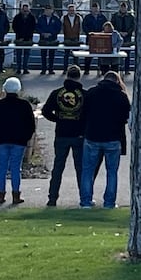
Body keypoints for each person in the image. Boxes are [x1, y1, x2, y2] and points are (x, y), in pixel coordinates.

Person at [79, 70, 131, 209]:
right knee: (112, 172)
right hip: (113, 137)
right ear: (117, 81)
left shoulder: (91, 93)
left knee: (87, 170)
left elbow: (83, 113)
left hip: (92, 136)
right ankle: (109, 202)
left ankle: (85, 202)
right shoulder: (121, 96)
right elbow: (126, 117)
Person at [42, 66, 87, 206]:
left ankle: (52, 198)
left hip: (61, 133)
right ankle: (84, 198)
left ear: (67, 76)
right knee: (80, 168)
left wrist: (58, 119)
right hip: (79, 134)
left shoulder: (57, 93)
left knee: (58, 167)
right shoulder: (84, 95)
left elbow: (45, 111)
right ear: (79, 77)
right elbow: (89, 114)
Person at [0, 77, 36, 204]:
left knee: (1, 168)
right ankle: (16, 195)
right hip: (19, 141)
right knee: (16, 168)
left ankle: (0, 195)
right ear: (18, 89)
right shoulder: (24, 105)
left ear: (5, 88)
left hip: (1, 140)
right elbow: (31, 125)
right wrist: (26, 138)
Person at [11, 2, 37, 75]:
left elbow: (33, 28)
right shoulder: (17, 17)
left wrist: (27, 37)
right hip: (19, 38)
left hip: (28, 39)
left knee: (26, 54)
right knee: (19, 54)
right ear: (21, 10)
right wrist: (20, 37)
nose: (25, 12)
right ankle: (18, 68)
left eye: (26, 10)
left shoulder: (32, 17)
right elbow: (14, 27)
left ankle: (25, 68)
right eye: (24, 10)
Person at [35, 4, 61, 75]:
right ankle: (43, 69)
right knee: (43, 55)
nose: (48, 11)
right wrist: (43, 33)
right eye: (46, 10)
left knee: (51, 55)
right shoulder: (41, 18)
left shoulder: (56, 19)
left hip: (52, 39)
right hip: (43, 39)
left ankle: (51, 69)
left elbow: (58, 28)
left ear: (52, 10)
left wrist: (51, 34)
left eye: (49, 10)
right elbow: (37, 27)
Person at [81, 4, 108, 72]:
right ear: (91, 9)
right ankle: (86, 69)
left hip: (101, 38)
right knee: (89, 54)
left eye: (97, 8)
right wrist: (89, 33)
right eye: (94, 8)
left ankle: (102, 69)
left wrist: (102, 32)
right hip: (90, 38)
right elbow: (84, 26)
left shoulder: (102, 17)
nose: (95, 10)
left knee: (101, 54)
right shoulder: (87, 17)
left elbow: (107, 26)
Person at [60, 2, 82, 70]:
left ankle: (76, 69)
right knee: (66, 54)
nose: (72, 12)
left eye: (73, 10)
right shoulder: (64, 18)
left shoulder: (79, 18)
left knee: (76, 55)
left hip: (76, 38)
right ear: (68, 11)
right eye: (70, 10)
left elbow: (80, 28)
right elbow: (62, 28)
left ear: (75, 10)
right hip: (67, 38)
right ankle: (65, 69)